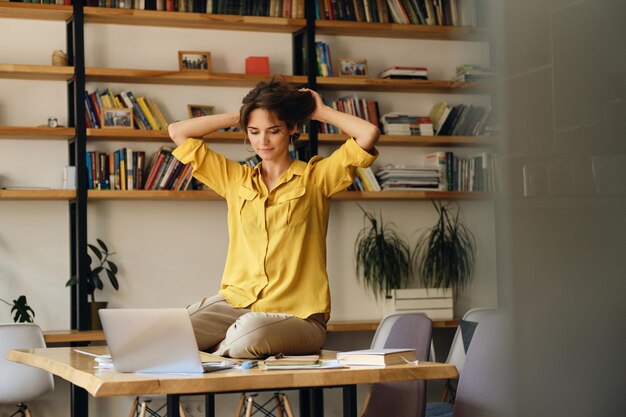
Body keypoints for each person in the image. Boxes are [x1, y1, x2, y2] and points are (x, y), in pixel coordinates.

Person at [168, 76, 380, 358]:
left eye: (273, 131)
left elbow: (368, 134)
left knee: (247, 333)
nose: (262, 141)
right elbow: (178, 131)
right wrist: (243, 113)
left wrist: (320, 111)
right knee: (170, 332)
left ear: (292, 129)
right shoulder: (235, 180)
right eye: (254, 132)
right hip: (239, 303)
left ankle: (218, 350)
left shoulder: (316, 178)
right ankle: (223, 348)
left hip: (299, 315)